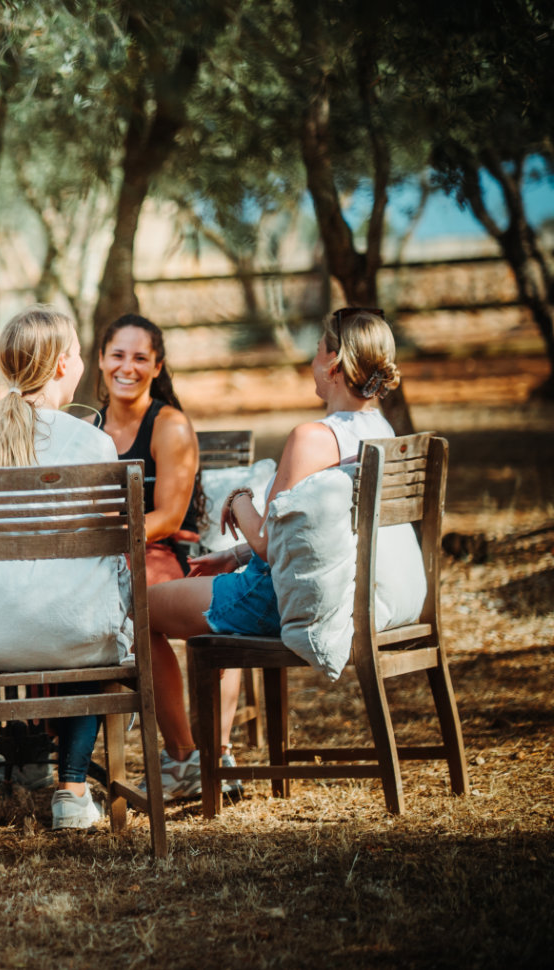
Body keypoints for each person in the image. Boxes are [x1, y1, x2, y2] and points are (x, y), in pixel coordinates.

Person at [143, 308, 403, 800]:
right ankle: (215, 754)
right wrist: (236, 554)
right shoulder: (383, 432)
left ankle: (186, 759)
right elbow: (311, 536)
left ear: (333, 364)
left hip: (272, 598)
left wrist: (240, 499)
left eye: (317, 352)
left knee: (141, 610)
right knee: (191, 604)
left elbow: (268, 539)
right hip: (340, 592)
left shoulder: (312, 437)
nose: (312, 362)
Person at [0, 305, 120, 830]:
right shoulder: (94, 442)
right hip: (74, 634)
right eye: (78, 353)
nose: (81, 361)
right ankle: (73, 792)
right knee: (83, 617)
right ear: (62, 364)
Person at [95, 314, 204, 583]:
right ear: (101, 359)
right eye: (117, 355)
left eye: (140, 358)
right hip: (102, 554)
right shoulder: (86, 429)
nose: (127, 368)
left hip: (164, 552)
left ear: (157, 367)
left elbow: (169, 519)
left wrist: (100, 539)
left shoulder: (171, 426)